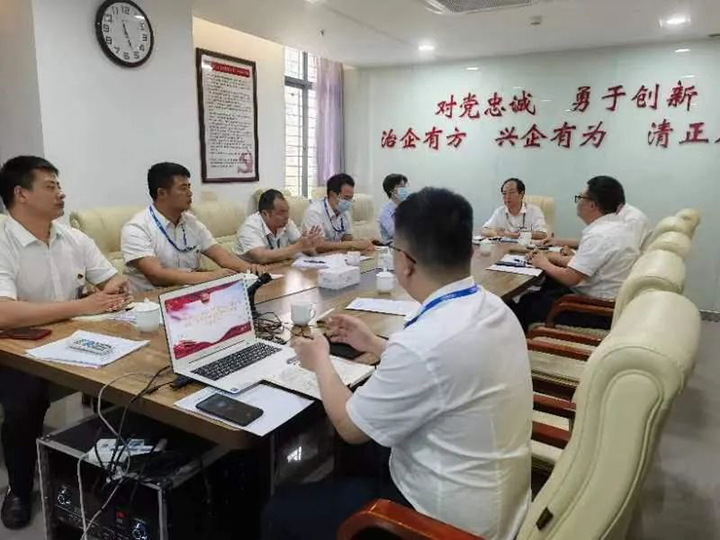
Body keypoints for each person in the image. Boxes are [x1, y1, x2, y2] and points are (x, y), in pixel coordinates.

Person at [263, 187, 532, 540]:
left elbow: (348, 427)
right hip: (499, 497)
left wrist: (320, 361)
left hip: (442, 524)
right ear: (468, 251)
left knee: (277, 511)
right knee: (361, 454)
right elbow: (441, 365)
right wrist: (372, 343)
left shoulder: (423, 343)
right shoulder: (493, 307)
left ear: (404, 263)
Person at [0, 156, 131, 529]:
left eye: (59, 185)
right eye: (51, 186)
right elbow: (4, 313)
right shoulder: (3, 241)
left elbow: (111, 279)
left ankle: (115, 472)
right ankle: (19, 489)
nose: (61, 193)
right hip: (16, 349)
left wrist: (112, 289)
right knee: (24, 401)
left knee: (130, 377)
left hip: (75, 339)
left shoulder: (73, 237)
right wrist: (83, 305)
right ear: (21, 194)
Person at [513, 175, 640, 332]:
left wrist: (543, 263)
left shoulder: (599, 235)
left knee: (526, 304)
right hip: (604, 301)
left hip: (597, 310)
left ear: (592, 205)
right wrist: (549, 257)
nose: (578, 202)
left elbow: (571, 277)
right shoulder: (618, 227)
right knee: (547, 287)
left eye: (580, 197)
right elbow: (587, 265)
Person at [121, 162, 260, 294]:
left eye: (189, 187)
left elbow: (223, 257)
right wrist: (211, 277)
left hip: (191, 294)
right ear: (162, 193)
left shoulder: (192, 222)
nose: (190, 193)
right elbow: (157, 275)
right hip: (150, 301)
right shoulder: (137, 228)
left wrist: (250, 269)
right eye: (183, 188)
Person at [545, 181, 651, 250]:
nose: (578, 203)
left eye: (581, 198)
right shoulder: (610, 220)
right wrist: (559, 242)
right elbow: (599, 245)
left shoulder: (633, 220)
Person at [235, 189, 323, 263]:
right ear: (265, 214)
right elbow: (261, 257)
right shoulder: (250, 227)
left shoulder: (286, 222)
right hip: (252, 272)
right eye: (281, 212)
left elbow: (301, 245)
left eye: (287, 211)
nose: (287, 216)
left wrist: (309, 245)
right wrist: (298, 246)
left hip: (278, 267)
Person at [301, 173, 372, 253]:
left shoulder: (344, 212)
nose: (348, 202)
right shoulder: (314, 212)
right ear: (332, 194)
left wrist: (361, 243)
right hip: (316, 257)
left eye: (351, 198)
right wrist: (351, 244)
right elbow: (318, 246)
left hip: (336, 256)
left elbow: (347, 238)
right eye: (346, 198)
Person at [481, 178, 547, 240]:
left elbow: (542, 234)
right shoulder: (500, 212)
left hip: (526, 247)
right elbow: (484, 230)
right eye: (504, 193)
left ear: (521, 194)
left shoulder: (534, 211)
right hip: (504, 247)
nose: (507, 197)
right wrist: (497, 234)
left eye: (511, 193)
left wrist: (520, 235)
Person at [377, 173, 408, 244]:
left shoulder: (408, 206)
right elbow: (394, 234)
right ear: (390, 190)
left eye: (404, 186)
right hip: (392, 245)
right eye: (400, 186)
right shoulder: (385, 211)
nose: (404, 189)